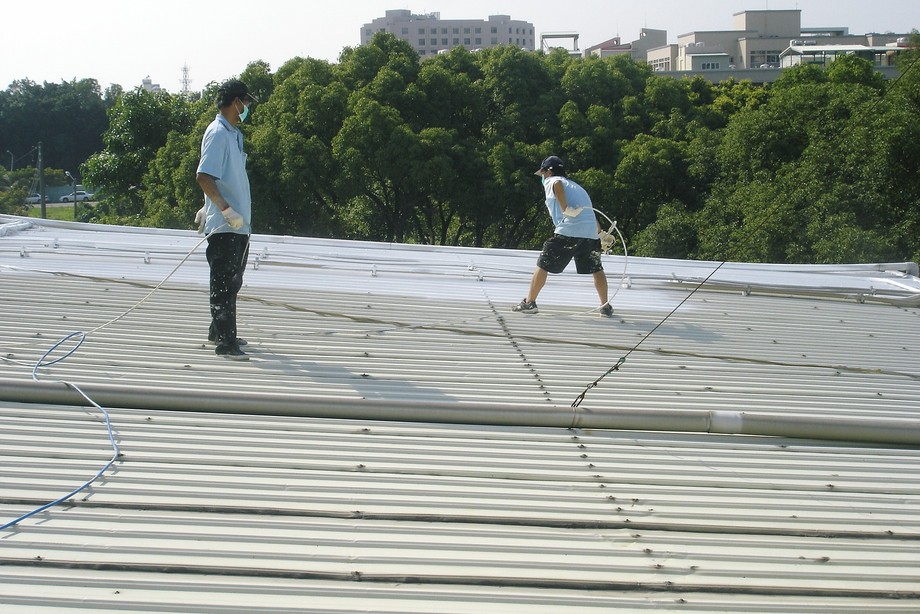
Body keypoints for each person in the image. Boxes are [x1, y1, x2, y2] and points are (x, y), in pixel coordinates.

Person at [196, 79, 256, 359]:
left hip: (239, 225)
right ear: (235, 102)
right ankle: (225, 344)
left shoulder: (233, 134)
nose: (246, 109)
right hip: (225, 225)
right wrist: (222, 209)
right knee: (222, 283)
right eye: (245, 103)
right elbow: (204, 175)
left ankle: (218, 331)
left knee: (234, 281)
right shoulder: (218, 133)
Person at [512, 155, 613, 317]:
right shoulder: (577, 187)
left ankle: (529, 303)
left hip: (569, 231)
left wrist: (565, 209)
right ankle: (605, 306)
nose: (543, 177)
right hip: (589, 234)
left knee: (543, 263)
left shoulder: (553, 181)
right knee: (596, 267)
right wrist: (601, 234)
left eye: (543, 173)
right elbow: (591, 213)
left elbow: (556, 184)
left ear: (549, 171)